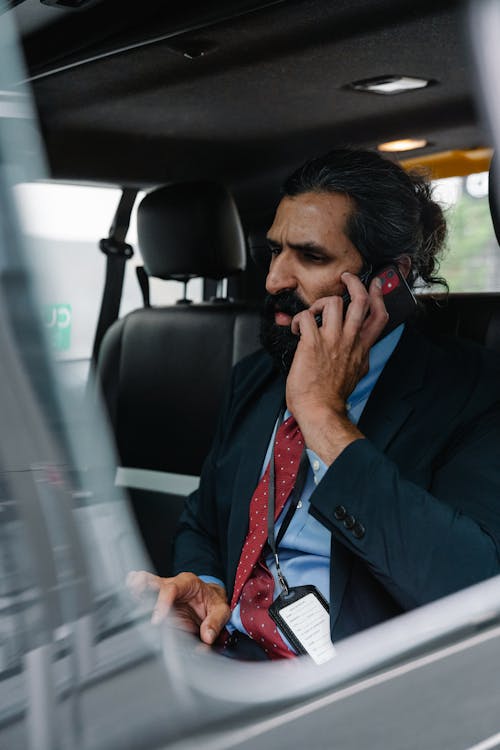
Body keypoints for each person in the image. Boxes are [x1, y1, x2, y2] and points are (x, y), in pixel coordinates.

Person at [129, 149, 500, 661]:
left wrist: (323, 416)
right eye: (275, 250)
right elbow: (203, 519)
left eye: (311, 256)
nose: (274, 280)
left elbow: (472, 591)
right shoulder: (256, 378)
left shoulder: (475, 394)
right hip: (220, 659)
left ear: (387, 281)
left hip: (353, 689)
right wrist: (208, 585)